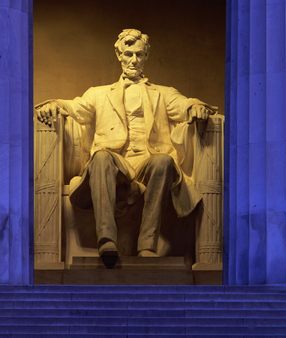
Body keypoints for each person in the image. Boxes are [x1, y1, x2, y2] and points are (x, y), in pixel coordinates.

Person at [36, 29, 216, 262]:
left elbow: (184, 105)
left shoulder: (163, 93)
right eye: (128, 54)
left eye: (139, 55)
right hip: (114, 162)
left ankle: (147, 246)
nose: (133, 60)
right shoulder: (99, 94)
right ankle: (107, 241)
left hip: (148, 163)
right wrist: (54, 104)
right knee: (100, 157)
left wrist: (195, 106)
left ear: (146, 57)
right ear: (119, 55)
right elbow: (75, 107)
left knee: (164, 161)